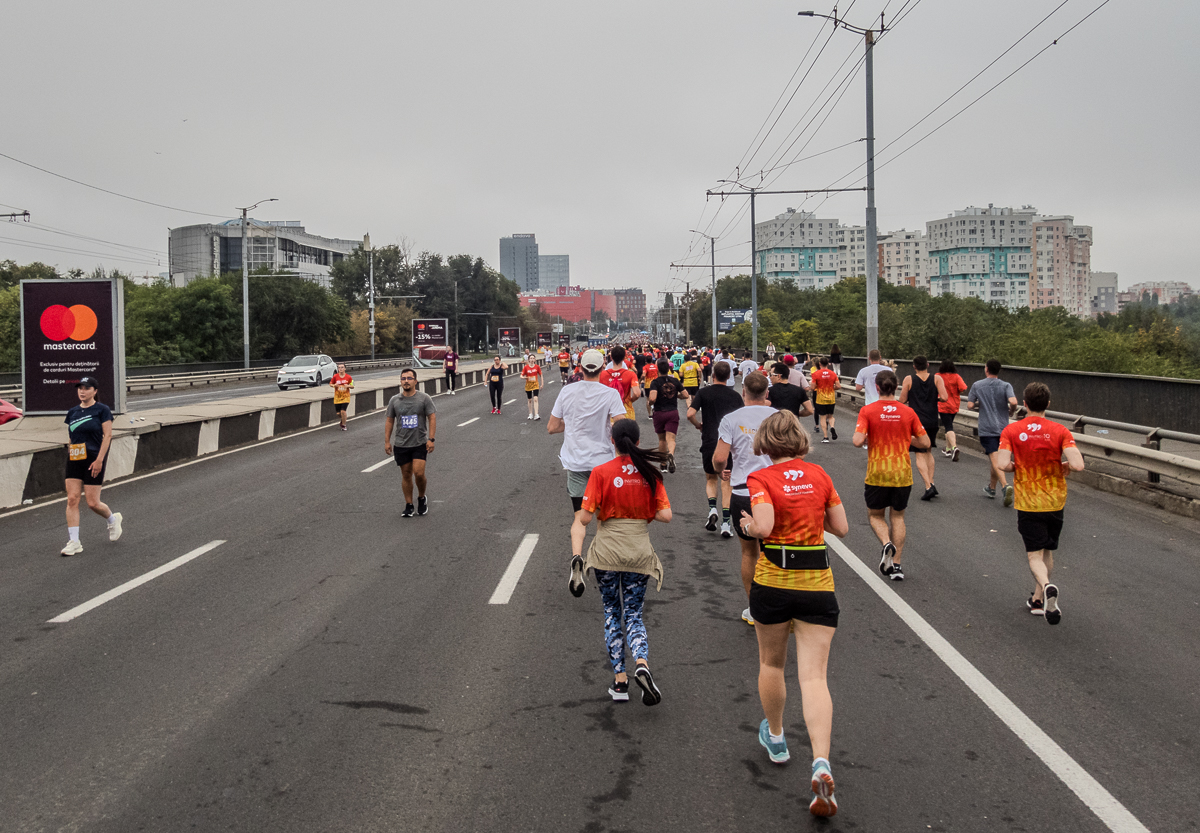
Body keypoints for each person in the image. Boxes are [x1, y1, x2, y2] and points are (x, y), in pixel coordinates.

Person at [738, 410, 848, 817]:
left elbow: (764, 527)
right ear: (799, 439)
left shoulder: (760, 478)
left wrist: (749, 526)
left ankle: (778, 738)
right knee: (815, 676)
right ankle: (821, 761)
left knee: (772, 663)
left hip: (774, 583)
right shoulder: (820, 476)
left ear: (765, 443)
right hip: (817, 583)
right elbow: (841, 527)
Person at [570, 419, 671, 704]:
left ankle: (620, 681)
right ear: (638, 442)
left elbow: (586, 518)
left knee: (612, 612)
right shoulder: (651, 474)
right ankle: (642, 663)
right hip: (638, 551)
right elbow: (666, 515)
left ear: (611, 441)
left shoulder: (601, 473)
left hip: (606, 553)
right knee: (635, 613)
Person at [996, 383, 1085, 625]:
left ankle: (1046, 587)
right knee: (1047, 550)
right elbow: (1078, 465)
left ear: (1024, 404)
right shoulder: (1060, 431)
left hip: (1029, 503)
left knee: (1034, 555)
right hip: (1055, 502)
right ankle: (1038, 600)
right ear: (1047, 404)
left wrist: (1019, 465)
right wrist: (1063, 465)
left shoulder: (1012, 431)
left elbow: (1002, 464)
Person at [548, 349, 628, 560]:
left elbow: (552, 427)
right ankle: (601, 559)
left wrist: (572, 424)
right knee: (603, 517)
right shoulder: (610, 394)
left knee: (579, 517)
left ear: (580, 368)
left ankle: (576, 557)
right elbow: (622, 427)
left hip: (575, 463)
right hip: (602, 464)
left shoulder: (567, 391)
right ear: (603, 368)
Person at [851, 371, 929, 581]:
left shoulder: (868, 411)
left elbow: (857, 441)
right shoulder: (908, 412)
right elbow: (925, 443)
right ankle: (896, 566)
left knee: (876, 516)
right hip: (902, 474)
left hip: (877, 473)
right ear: (896, 388)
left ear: (876, 387)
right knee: (898, 517)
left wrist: (870, 435)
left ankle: (886, 543)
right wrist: (905, 437)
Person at [713, 371, 775, 625]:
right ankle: (777, 603)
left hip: (743, 491)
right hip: (775, 492)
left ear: (743, 393)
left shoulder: (731, 419)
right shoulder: (779, 416)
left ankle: (755, 608)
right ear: (767, 394)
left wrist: (721, 472)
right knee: (771, 550)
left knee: (749, 552)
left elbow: (719, 458)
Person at [60, 376, 122, 556]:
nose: (82, 391)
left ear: (95, 391)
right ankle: (74, 541)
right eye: (80, 388)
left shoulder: (102, 410)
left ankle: (112, 519)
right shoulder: (72, 412)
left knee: (93, 503)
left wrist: (100, 460)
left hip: (94, 458)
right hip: (75, 458)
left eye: (87, 388)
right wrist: (71, 451)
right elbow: (71, 436)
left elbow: (108, 436)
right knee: (72, 499)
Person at [688, 361, 743, 536]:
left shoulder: (704, 392)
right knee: (727, 483)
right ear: (729, 376)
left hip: (709, 440)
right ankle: (726, 523)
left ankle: (712, 509)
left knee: (711, 478)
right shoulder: (735, 396)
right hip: (728, 443)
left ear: (712, 375)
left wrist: (698, 425)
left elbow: (690, 413)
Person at [384, 368, 437, 518]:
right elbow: (389, 420)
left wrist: (431, 439)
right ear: (400, 381)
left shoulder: (424, 398)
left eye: (409, 378)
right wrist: (387, 441)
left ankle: (421, 497)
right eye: (403, 378)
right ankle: (408, 505)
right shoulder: (394, 400)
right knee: (406, 474)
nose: (406, 381)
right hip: (401, 443)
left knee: (419, 473)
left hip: (419, 442)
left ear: (415, 381)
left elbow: (431, 418)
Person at [967, 359, 1019, 505]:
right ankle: (992, 488)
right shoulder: (1006, 385)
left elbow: (970, 405)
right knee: (995, 458)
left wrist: (980, 403)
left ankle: (1005, 486)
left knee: (994, 458)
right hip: (1003, 427)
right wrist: (1011, 411)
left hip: (987, 427)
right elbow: (1014, 401)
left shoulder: (977, 385)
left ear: (986, 369)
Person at [899, 356, 948, 501]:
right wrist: (934, 398)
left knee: (919, 453)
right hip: (932, 419)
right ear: (927, 364)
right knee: (928, 451)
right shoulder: (937, 379)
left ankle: (928, 486)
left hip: (916, 421)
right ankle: (932, 482)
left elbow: (902, 400)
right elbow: (944, 397)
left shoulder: (909, 379)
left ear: (914, 366)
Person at [649, 359, 689, 473]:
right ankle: (670, 454)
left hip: (659, 412)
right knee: (671, 439)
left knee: (662, 440)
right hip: (672, 412)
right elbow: (685, 395)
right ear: (668, 369)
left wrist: (650, 403)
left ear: (658, 369)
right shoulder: (675, 381)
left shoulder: (655, 382)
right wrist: (676, 396)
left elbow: (652, 398)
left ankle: (663, 464)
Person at [936, 359, 968, 462]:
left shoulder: (938, 376)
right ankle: (948, 449)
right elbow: (963, 388)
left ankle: (954, 447)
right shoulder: (956, 376)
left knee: (948, 426)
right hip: (954, 404)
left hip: (942, 403)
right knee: (948, 426)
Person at [599, 345, 641, 421]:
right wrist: (630, 400)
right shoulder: (631, 374)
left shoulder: (602, 374)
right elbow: (637, 393)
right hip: (626, 411)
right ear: (624, 358)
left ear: (611, 358)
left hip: (608, 412)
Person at [810, 358, 840, 443]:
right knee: (830, 416)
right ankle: (832, 427)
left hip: (820, 399)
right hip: (831, 398)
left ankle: (826, 437)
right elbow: (838, 386)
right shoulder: (833, 373)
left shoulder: (816, 374)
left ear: (819, 364)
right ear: (828, 364)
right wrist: (831, 388)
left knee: (822, 417)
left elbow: (812, 387)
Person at [330, 362, 354, 430]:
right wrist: (334, 385)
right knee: (338, 413)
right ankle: (343, 420)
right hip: (337, 397)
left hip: (346, 397)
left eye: (342, 367)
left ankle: (344, 425)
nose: (340, 369)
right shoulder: (335, 376)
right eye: (339, 367)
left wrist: (348, 386)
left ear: (345, 368)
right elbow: (331, 384)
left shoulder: (349, 377)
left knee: (343, 411)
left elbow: (353, 386)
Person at [522, 353, 544, 420]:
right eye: (530, 358)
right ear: (528, 360)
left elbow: (541, 375)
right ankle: (530, 413)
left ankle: (536, 414)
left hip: (535, 385)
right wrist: (524, 378)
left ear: (535, 359)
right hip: (528, 385)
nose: (532, 360)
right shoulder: (526, 367)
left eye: (533, 358)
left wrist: (542, 384)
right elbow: (521, 375)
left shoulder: (537, 367)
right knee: (530, 400)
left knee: (535, 398)